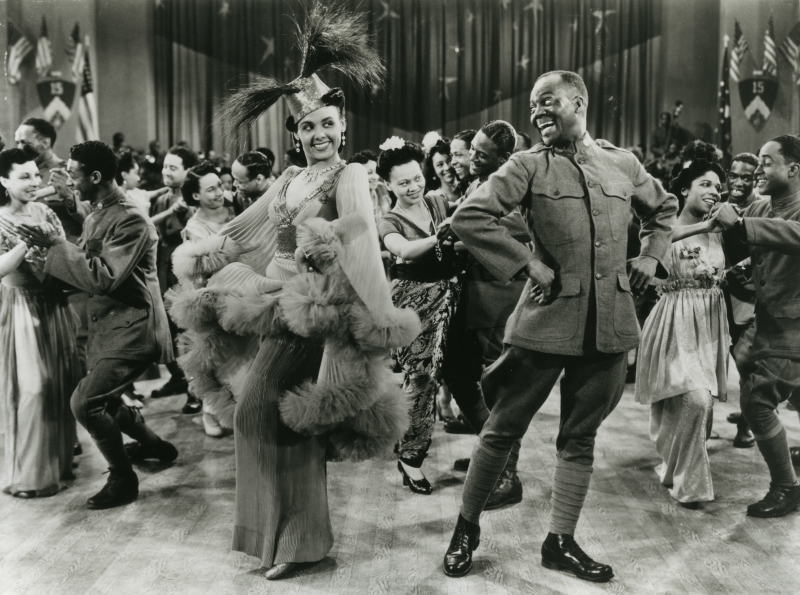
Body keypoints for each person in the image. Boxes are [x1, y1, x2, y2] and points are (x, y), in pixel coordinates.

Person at [168, 4, 417, 580]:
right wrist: (201, 255)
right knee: (270, 417)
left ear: (343, 127)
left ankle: (298, 538)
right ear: (296, 134)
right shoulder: (287, 179)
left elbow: (362, 247)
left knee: (261, 411)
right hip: (269, 302)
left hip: (314, 312)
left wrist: (377, 317)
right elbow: (242, 232)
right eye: (307, 126)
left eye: (327, 123)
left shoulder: (351, 176)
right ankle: (280, 539)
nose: (318, 133)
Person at [442, 70, 677, 582]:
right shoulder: (527, 166)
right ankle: (466, 529)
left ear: (578, 101)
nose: (536, 112)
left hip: (609, 325)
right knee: (501, 430)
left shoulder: (623, 163)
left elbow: (665, 209)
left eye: (546, 101)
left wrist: (652, 257)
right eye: (531, 105)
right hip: (545, 321)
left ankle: (560, 542)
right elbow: (468, 217)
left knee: (580, 437)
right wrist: (527, 262)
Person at [16, 141, 178, 510]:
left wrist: (56, 245)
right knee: (103, 397)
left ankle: (123, 477)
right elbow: (89, 252)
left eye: (73, 175)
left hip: (136, 329)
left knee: (85, 402)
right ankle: (154, 445)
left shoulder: (131, 218)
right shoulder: (101, 211)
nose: (70, 182)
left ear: (96, 176)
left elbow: (103, 277)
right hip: (113, 327)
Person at [441, 120, 531, 509]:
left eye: (481, 153)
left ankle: (506, 474)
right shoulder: (480, 184)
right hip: (477, 293)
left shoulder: (508, 188)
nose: (471, 157)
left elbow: (515, 235)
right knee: (463, 376)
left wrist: (458, 241)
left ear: (503, 159)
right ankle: (488, 455)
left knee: (496, 387)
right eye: (471, 150)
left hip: (497, 296)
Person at [710, 135, 800, 518]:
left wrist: (743, 224)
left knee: (756, 400)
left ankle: (786, 486)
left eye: (767, 162)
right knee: (750, 367)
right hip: (768, 322)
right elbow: (753, 242)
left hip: (792, 325)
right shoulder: (764, 204)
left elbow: (787, 235)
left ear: (794, 170)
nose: (759, 170)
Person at [635, 159, 730, 509]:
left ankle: (675, 469)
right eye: (705, 184)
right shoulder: (667, 225)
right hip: (674, 323)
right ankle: (690, 485)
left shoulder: (719, 230)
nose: (713, 191)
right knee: (693, 399)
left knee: (696, 406)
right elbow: (663, 240)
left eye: (717, 187)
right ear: (685, 190)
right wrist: (705, 224)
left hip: (708, 325)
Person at [377, 139, 459, 495]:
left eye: (416, 178)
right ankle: (410, 457)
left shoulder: (438, 202)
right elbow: (404, 250)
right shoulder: (389, 220)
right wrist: (441, 234)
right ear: (388, 185)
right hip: (412, 303)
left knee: (457, 373)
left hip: (453, 296)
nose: (413, 187)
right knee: (421, 378)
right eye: (403, 183)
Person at [0, 148, 81, 498]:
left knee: (59, 387)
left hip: (54, 305)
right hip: (20, 309)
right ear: (3, 181)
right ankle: (31, 475)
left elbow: (64, 258)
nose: (34, 182)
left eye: (36, 175)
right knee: (32, 389)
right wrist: (24, 243)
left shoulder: (46, 211)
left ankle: (57, 462)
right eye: (24, 176)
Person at [177, 161, 237, 438]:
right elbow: (205, 267)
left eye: (220, 186)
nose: (218, 193)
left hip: (246, 287)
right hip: (213, 293)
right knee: (216, 355)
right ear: (195, 196)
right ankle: (211, 409)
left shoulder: (237, 208)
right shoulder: (195, 227)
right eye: (211, 189)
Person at [149, 146, 201, 414]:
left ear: (187, 172)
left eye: (173, 167)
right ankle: (177, 378)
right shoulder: (161, 198)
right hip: (159, 268)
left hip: (180, 269)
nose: (166, 172)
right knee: (166, 329)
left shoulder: (190, 200)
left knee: (184, 329)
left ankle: (196, 389)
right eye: (164, 167)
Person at [722, 153, 761, 448]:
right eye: (733, 175)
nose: (738, 182)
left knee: (746, 363)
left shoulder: (764, 207)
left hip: (749, 299)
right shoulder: (717, 201)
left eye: (746, 177)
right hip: (715, 297)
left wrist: (744, 266)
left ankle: (746, 425)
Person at [116, 151, 170, 216]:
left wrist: (170, 188)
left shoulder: (133, 192)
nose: (138, 178)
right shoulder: (120, 202)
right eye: (135, 173)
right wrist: (170, 211)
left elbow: (154, 193)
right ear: (124, 175)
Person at [348, 149, 391, 225]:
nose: (375, 177)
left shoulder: (381, 189)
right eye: (369, 173)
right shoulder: (349, 197)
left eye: (376, 172)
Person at [423, 137, 460, 203]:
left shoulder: (468, 188)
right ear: (434, 170)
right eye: (440, 164)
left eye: (449, 161)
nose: (447, 168)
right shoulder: (432, 197)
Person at [450, 130, 476, 197]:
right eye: (452, 155)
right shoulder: (466, 186)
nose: (452, 162)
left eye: (458, 155)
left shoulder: (483, 187)